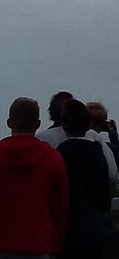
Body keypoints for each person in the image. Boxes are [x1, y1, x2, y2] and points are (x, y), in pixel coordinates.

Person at [0, 97, 69, 257]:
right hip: (39, 243)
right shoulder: (52, 158)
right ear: (37, 124)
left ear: (9, 122)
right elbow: (61, 206)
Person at [57, 100, 112, 259]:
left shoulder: (61, 153)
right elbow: (105, 187)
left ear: (64, 126)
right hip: (94, 225)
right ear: (88, 124)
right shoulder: (96, 151)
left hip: (69, 229)